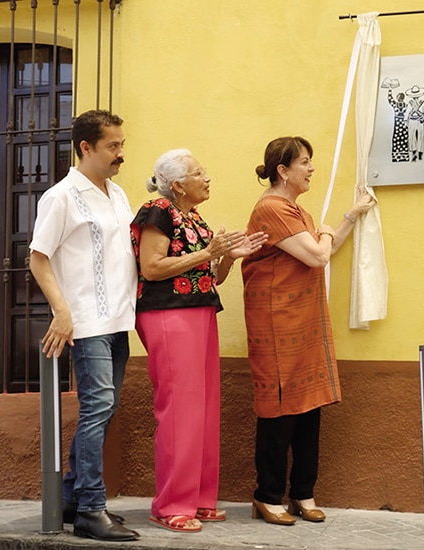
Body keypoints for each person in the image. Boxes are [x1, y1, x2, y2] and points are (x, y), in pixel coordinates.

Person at [131, 149, 267, 532]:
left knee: (204, 407)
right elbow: (152, 267)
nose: (207, 177)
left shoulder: (194, 218)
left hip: (200, 311)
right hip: (168, 315)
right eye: (198, 172)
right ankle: (171, 504)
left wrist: (228, 257)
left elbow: (213, 275)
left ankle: (199, 499)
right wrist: (209, 252)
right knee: (179, 410)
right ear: (177, 184)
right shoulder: (157, 210)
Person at [242, 136, 376, 525]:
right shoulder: (272, 208)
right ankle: (267, 496)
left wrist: (350, 216)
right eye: (304, 162)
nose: (311, 168)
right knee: (279, 413)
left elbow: (321, 249)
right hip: (276, 324)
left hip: (301, 323)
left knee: (307, 411)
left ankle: (302, 492)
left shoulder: (293, 210)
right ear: (283, 171)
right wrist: (329, 232)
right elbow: (319, 255)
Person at [29, 109, 140, 542]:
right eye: (113, 146)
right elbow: (38, 257)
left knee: (106, 410)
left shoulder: (118, 193)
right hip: (87, 321)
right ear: (86, 147)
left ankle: (75, 498)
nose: (120, 154)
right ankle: (92, 508)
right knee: (97, 410)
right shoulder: (60, 196)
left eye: (122, 145)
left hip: (118, 318)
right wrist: (62, 311)